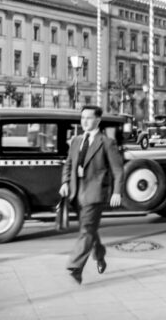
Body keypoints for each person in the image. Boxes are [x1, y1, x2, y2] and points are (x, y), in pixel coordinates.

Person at [59, 106, 124, 285]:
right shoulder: (76, 140)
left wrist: (117, 192)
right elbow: (68, 164)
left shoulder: (106, 142)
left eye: (88, 118)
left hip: (95, 193)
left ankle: (75, 267)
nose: (84, 121)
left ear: (98, 120)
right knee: (89, 230)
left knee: (86, 229)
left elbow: (118, 170)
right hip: (76, 192)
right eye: (82, 118)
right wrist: (65, 182)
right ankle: (100, 255)